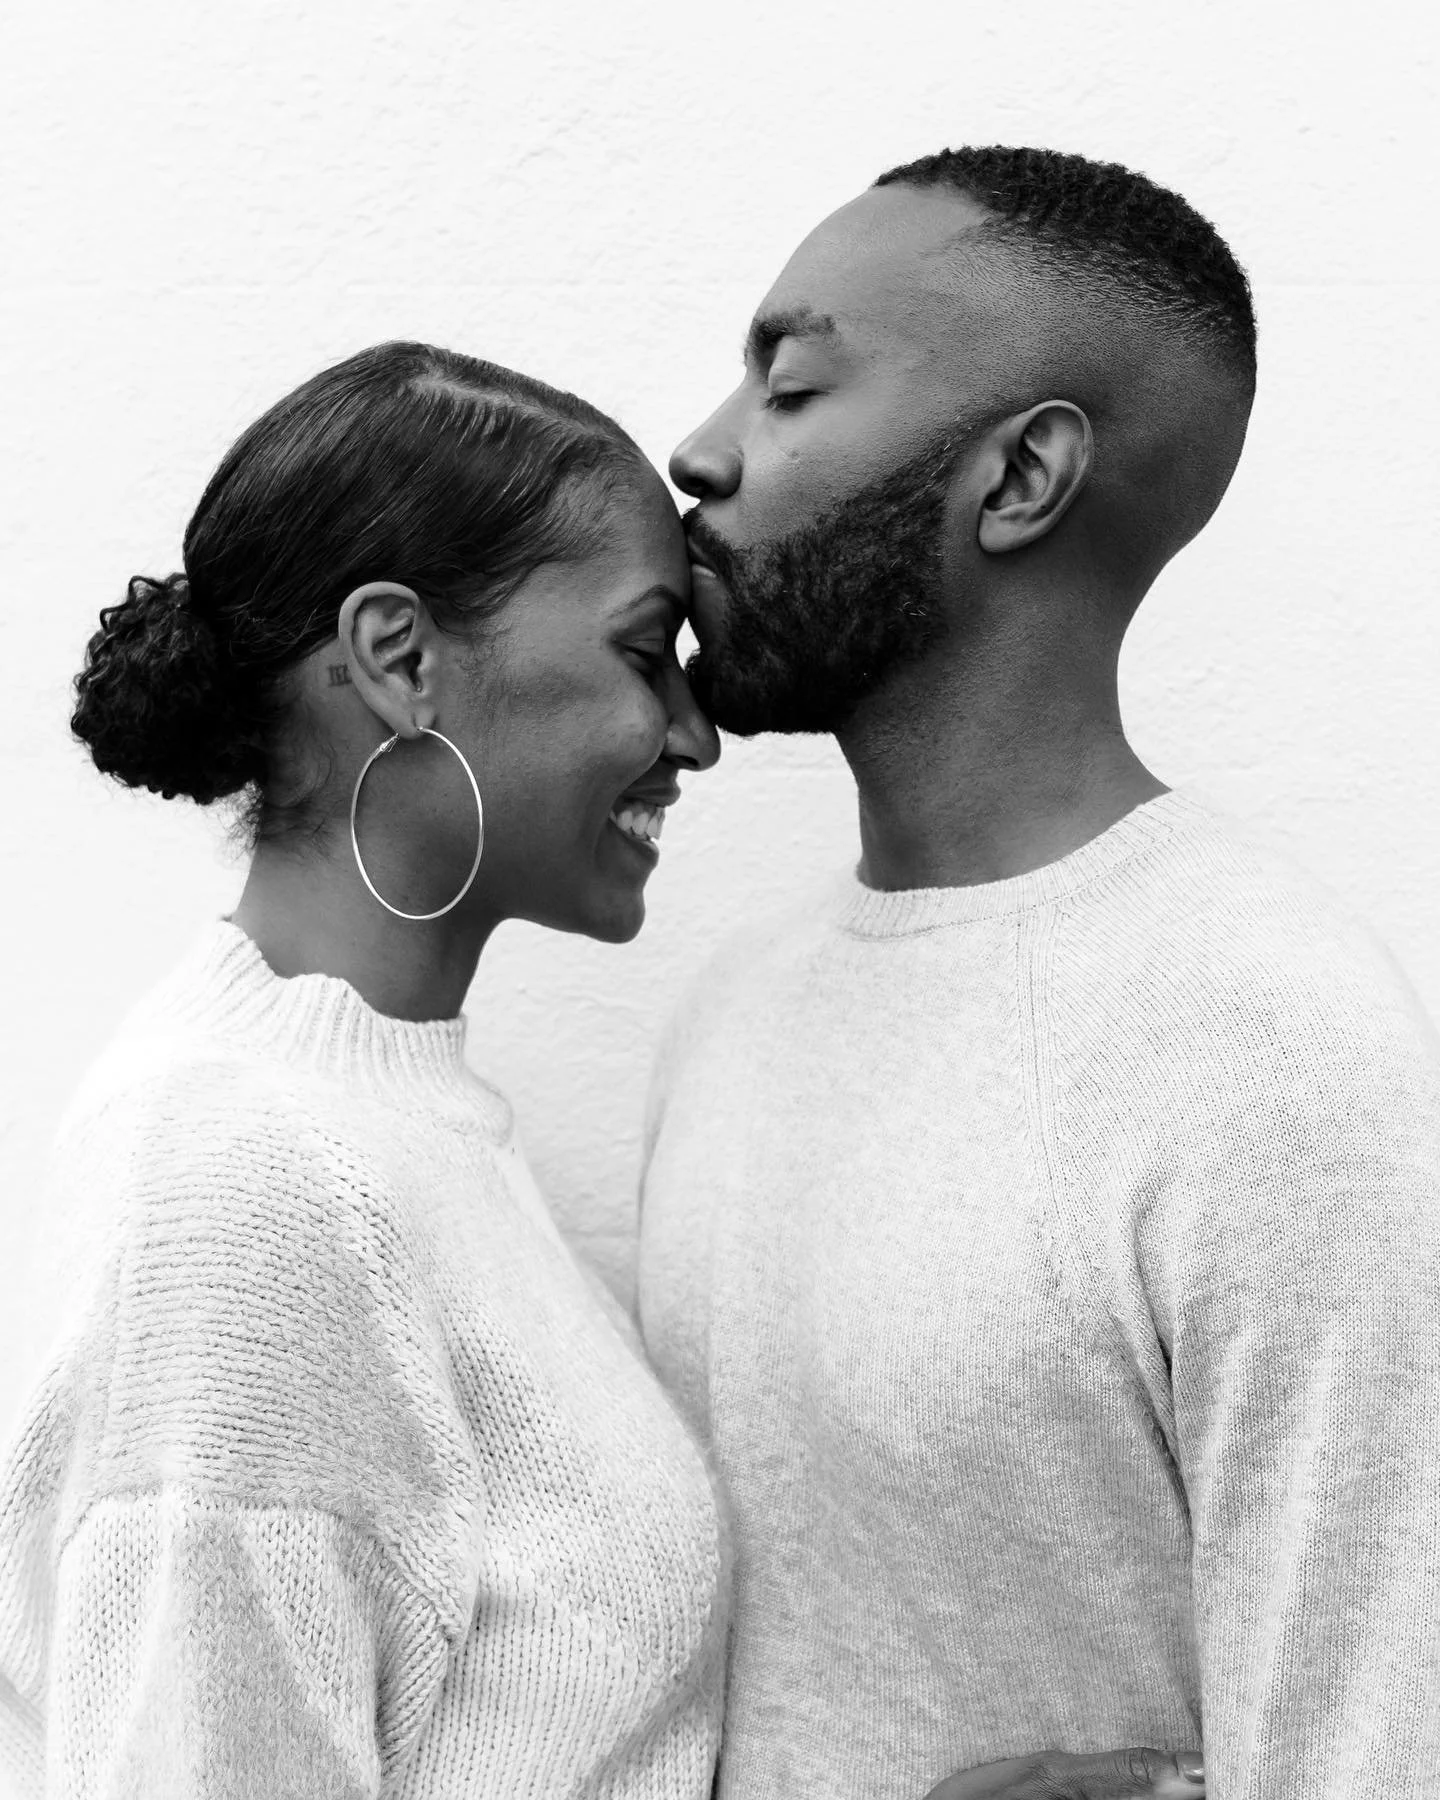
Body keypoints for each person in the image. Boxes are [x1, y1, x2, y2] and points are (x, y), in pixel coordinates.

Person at [0, 338, 1199, 1800]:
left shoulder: (397, 1125)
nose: (694, 732)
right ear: (398, 657)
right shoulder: (245, 1186)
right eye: (645, 654)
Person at [637, 145, 1440, 1800]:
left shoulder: (1273, 1047)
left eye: (789, 387)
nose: (700, 450)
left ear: (1018, 480)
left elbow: (1375, 1742)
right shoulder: (734, 1007)